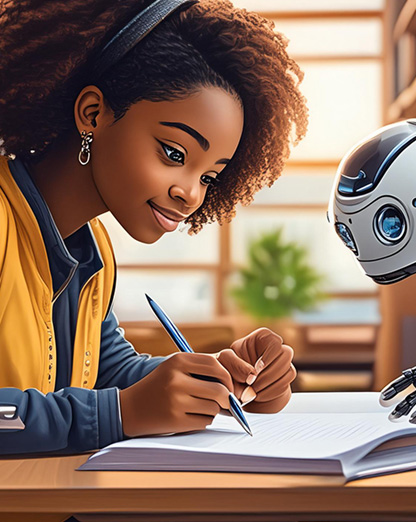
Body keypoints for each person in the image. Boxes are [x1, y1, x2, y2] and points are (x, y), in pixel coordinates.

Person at [0, 0, 308, 454]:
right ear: (92, 113)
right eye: (175, 153)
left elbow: (109, 373)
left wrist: (217, 380)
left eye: (209, 177)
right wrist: (119, 414)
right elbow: (114, 403)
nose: (191, 194)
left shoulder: (93, 252)